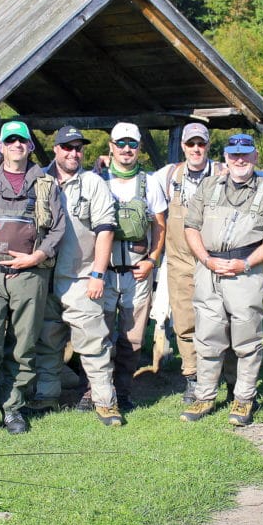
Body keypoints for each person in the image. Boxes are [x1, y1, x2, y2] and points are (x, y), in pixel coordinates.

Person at [0, 120, 64, 439]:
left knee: (23, 345)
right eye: (11, 140)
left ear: (31, 147)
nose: (17, 145)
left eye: (23, 141)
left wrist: (36, 257)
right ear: (1, 146)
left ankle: (13, 408)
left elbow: (59, 229)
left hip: (30, 273)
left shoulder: (46, 183)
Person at [180, 133, 263, 426]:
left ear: (255, 157)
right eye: (234, 155)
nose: (240, 160)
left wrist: (246, 263)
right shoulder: (209, 185)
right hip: (209, 268)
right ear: (225, 157)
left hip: (246, 271)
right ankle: (205, 396)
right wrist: (205, 259)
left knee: (246, 339)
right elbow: (191, 227)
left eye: (246, 154)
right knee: (208, 336)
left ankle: (243, 398)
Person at [32, 126, 123, 425]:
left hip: (82, 278)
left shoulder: (94, 183)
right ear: (55, 150)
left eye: (78, 148)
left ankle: (106, 402)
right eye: (67, 147)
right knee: (47, 343)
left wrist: (98, 273)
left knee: (95, 346)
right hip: (42, 279)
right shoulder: (37, 179)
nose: (74, 153)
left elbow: (105, 230)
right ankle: (45, 398)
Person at [152, 122, 235, 403]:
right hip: (180, 262)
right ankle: (192, 377)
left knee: (219, 322)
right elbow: (147, 204)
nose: (196, 149)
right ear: (183, 147)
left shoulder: (224, 173)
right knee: (185, 323)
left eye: (201, 144)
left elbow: (262, 180)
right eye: (191, 144)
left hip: (213, 261)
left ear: (208, 146)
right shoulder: (168, 176)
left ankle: (223, 373)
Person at [99, 122, 167, 411]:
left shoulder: (151, 183)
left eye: (133, 144)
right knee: (98, 336)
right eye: (121, 144)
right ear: (111, 147)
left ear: (139, 148)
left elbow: (160, 228)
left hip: (137, 272)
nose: (127, 150)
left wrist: (152, 260)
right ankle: (96, 389)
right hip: (104, 273)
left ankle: (123, 390)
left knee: (132, 338)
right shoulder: (97, 180)